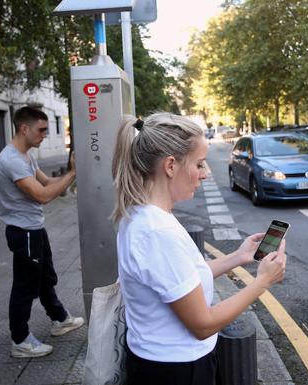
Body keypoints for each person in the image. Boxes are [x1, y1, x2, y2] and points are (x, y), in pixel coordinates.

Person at [111, 112, 287, 385]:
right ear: (170, 166)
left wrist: (238, 257)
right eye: (200, 164)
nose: (205, 174)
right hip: (175, 372)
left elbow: (182, 280)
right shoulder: (157, 233)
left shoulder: (144, 215)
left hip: (163, 363)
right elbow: (202, 325)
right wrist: (262, 281)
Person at [0, 106, 84, 358]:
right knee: (25, 287)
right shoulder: (11, 160)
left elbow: (48, 183)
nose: (45, 134)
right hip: (23, 233)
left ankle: (59, 319)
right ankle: (20, 340)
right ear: (25, 129)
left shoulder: (25, 157)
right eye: (41, 129)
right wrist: (74, 173)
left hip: (34, 229)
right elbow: (43, 195)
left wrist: (72, 175)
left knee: (45, 277)